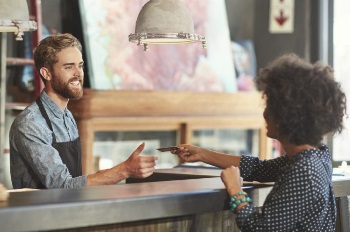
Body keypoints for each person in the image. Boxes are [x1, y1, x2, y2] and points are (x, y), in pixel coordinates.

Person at [173, 53, 347, 231]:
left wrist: (236, 191)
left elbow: (259, 228)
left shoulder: (303, 170)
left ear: (289, 115)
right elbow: (259, 169)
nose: (264, 114)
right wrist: (202, 154)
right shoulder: (314, 156)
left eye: (271, 106)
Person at [9, 33, 157, 189]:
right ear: (47, 73)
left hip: (69, 209)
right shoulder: (30, 124)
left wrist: (125, 169)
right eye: (68, 67)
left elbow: (76, 180)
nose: (78, 73)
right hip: (40, 212)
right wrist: (124, 170)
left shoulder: (67, 116)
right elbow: (62, 185)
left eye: (80, 65)